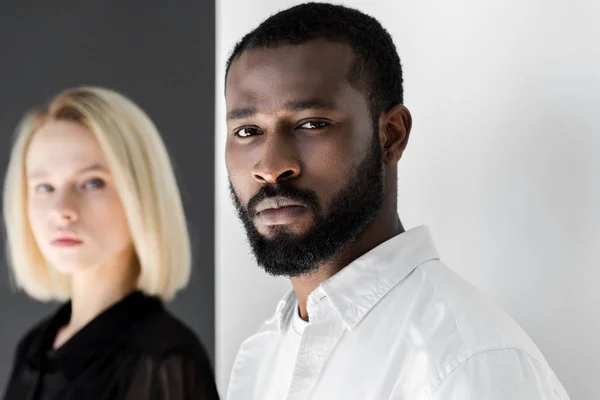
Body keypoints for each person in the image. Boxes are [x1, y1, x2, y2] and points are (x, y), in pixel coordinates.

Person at [223, 3, 570, 399]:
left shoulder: (467, 362)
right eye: (248, 130)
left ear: (391, 135)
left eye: (311, 124)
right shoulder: (265, 352)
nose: (270, 167)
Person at [2, 86, 219, 400]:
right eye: (44, 187)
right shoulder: (34, 347)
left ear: (141, 194)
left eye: (92, 183)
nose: (62, 210)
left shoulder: (164, 358)